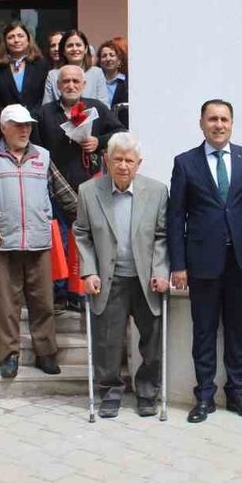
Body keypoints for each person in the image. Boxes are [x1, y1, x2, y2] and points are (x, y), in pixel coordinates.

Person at [167, 99, 242, 423]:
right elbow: (175, 217)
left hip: (241, 261)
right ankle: (204, 397)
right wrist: (178, 265)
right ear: (201, 124)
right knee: (204, 332)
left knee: (238, 331)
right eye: (212, 119)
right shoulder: (185, 163)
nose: (219, 125)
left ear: (232, 124)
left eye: (224, 119)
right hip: (202, 263)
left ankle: (237, 393)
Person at [0, 105, 80, 377]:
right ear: (3, 128)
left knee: (43, 302)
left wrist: (90, 218)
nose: (25, 130)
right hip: (2, 244)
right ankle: (9, 354)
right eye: (18, 125)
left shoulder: (43, 156)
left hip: (39, 242)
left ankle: (46, 353)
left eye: (28, 125)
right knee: (7, 305)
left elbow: (66, 195)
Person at [73, 132, 170, 417]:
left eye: (129, 160)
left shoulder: (157, 191)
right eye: (118, 159)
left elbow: (163, 235)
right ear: (106, 159)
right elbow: (82, 234)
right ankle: (110, 393)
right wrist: (88, 271)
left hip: (146, 279)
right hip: (109, 277)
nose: (123, 166)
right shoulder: (89, 191)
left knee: (152, 341)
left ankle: (148, 394)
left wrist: (160, 270)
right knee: (107, 341)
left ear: (139, 163)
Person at [37, 65, 126, 310]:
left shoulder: (96, 108)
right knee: (59, 242)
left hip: (91, 186)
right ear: (58, 85)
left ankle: (83, 292)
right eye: (66, 81)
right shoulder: (44, 113)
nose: (71, 85)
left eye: (76, 81)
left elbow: (121, 132)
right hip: (55, 189)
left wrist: (99, 141)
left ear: (84, 84)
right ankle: (60, 292)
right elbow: (36, 150)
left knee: (88, 240)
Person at [0, 21, 47, 144]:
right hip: (3, 129)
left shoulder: (40, 65)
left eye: (20, 36)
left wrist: (27, 117)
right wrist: (10, 117)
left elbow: (43, 97)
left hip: (33, 127)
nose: (16, 40)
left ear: (28, 40)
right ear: (5, 42)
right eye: (11, 37)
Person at [41, 29, 110, 106]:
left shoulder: (97, 73)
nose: (74, 49)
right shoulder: (53, 75)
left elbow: (104, 106)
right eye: (70, 46)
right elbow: (46, 108)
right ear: (63, 51)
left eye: (78, 45)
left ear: (86, 49)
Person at [99, 37, 129, 126]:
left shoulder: (128, 82)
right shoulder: (97, 82)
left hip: (123, 127)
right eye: (104, 56)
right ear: (100, 61)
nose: (108, 59)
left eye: (112, 55)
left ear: (119, 60)